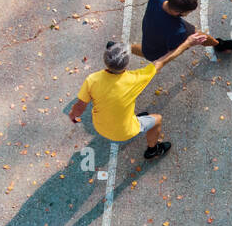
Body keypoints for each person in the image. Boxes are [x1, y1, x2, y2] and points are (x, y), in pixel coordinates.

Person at [68, 36, 207, 160]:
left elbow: (79, 108)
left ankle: (138, 122)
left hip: (99, 125)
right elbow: (162, 61)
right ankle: (153, 150)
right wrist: (187, 43)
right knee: (157, 119)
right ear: (126, 64)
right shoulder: (135, 79)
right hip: (123, 132)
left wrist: (74, 115)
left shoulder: (92, 79)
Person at [133, 0, 232, 61]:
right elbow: (173, 51)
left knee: (142, 50)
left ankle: (124, 49)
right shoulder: (178, 30)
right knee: (199, 37)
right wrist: (187, 44)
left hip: (150, 29)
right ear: (179, 13)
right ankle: (220, 45)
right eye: (188, 12)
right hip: (157, 48)